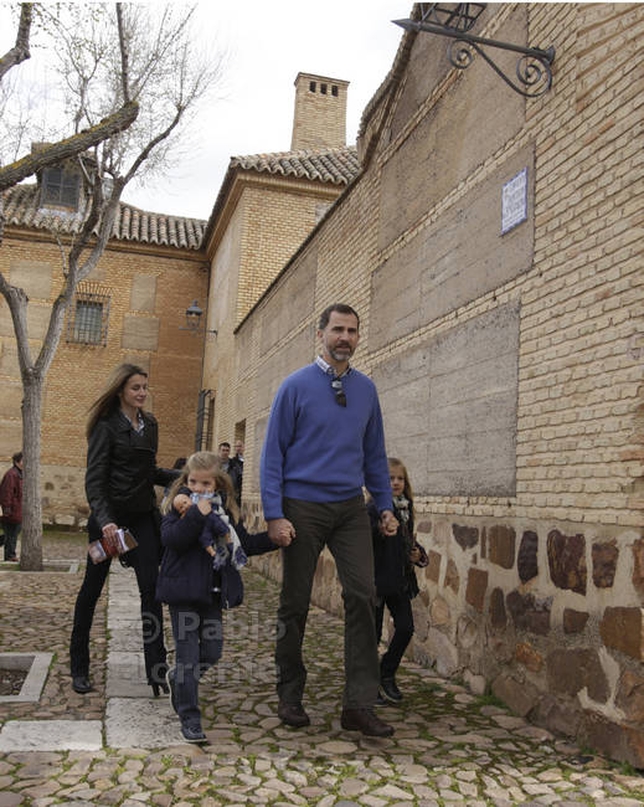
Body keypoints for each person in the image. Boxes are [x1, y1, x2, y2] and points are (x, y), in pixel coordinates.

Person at [260, 302, 398, 738]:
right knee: (295, 600)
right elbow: (272, 454)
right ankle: (290, 692)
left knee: (363, 594)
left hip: (350, 508)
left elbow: (374, 454)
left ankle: (358, 703)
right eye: (337, 329)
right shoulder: (295, 386)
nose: (345, 337)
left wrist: (385, 505)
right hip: (302, 506)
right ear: (320, 334)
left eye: (352, 331)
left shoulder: (367, 390)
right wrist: (274, 513)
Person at [157, 451, 285, 743]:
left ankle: (178, 680)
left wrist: (274, 539)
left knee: (212, 652)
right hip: (183, 593)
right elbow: (172, 540)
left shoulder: (225, 515)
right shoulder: (177, 507)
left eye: (206, 484)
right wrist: (193, 515)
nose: (199, 489)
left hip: (212, 594)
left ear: (218, 485)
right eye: (193, 482)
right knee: (188, 657)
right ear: (185, 481)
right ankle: (190, 717)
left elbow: (245, 544)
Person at [69, 363, 178, 696]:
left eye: (145, 387)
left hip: (143, 519)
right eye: (135, 388)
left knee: (151, 590)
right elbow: (95, 481)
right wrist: (106, 522)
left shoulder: (151, 424)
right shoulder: (106, 426)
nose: (142, 393)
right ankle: (79, 668)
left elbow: (148, 471)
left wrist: (185, 477)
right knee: (91, 590)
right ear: (121, 391)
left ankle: (157, 671)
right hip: (110, 521)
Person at [369, 457, 428, 704]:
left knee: (405, 627)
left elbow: (407, 541)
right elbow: (366, 538)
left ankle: (387, 673)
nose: (396, 482)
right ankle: (368, 686)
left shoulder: (406, 507)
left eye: (400, 478)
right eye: (391, 478)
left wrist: (418, 554)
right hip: (376, 579)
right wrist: (380, 530)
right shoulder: (372, 508)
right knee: (370, 636)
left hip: (400, 579)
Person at [0, 451, 23, 562]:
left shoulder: (20, 474)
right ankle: (10, 556)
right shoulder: (11, 474)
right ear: (17, 462)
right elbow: (6, 493)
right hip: (11, 511)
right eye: (23, 460)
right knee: (11, 534)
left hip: (18, 510)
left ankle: (10, 554)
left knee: (12, 534)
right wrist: (7, 509)